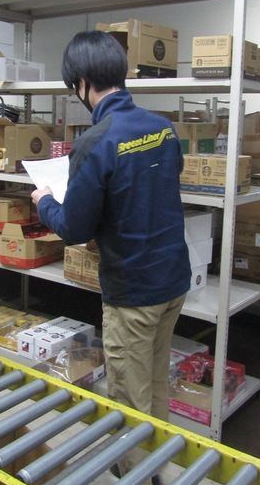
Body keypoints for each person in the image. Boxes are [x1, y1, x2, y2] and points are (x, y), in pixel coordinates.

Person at [31, 30, 191, 425]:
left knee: (130, 404)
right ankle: (161, 458)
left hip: (133, 293)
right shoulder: (163, 128)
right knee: (156, 383)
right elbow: (155, 185)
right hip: (173, 280)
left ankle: (138, 465)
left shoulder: (95, 142)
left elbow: (74, 228)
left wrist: (45, 201)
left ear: (82, 83)